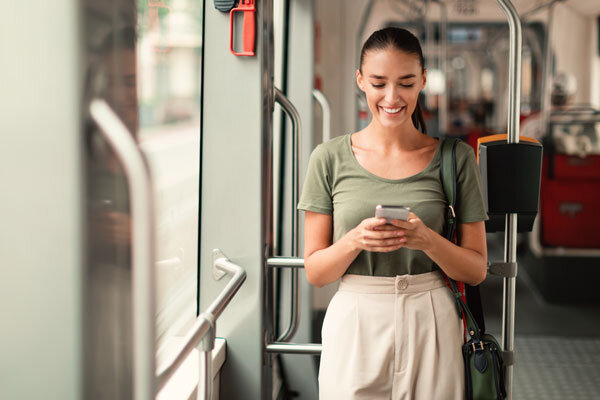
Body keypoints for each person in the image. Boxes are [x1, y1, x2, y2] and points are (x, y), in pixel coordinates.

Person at [297, 27, 488, 399]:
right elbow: (317, 272)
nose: (391, 97)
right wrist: (355, 240)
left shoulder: (456, 158)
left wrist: (427, 240)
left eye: (405, 83)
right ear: (360, 81)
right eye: (379, 83)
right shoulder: (328, 158)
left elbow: (476, 269)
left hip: (431, 314)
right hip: (355, 318)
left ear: (423, 82)